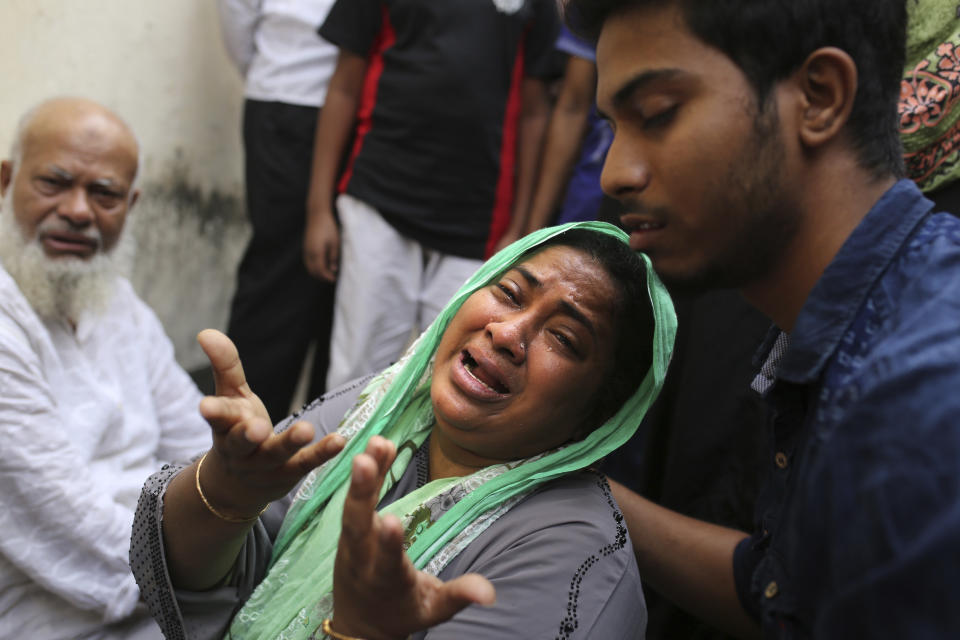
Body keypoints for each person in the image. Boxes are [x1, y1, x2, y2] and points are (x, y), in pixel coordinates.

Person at [560, 0, 960, 637]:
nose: (616, 173)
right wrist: (561, 487)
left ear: (819, 97)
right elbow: (786, 586)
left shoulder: (920, 400)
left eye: (658, 114)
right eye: (611, 126)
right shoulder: (840, 320)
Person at [130, 223, 677, 639]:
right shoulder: (381, 409)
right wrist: (225, 494)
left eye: (563, 338)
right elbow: (199, 583)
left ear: (598, 418)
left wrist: (360, 632)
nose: (509, 333)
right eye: (509, 293)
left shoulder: (569, 555)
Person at [0, 97, 212, 639]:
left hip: (167, 577)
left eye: (105, 194)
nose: (78, 210)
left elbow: (200, 451)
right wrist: (217, 574)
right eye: (54, 182)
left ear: (130, 204)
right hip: (42, 603)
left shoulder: (117, 303)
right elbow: (61, 520)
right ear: (5, 181)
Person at [303, 0, 561, 389]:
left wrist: (525, 229)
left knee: (445, 383)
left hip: (482, 226)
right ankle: (343, 453)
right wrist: (318, 208)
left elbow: (535, 112)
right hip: (379, 199)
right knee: (354, 375)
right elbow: (344, 85)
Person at [217, 0, 338, 420]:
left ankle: (323, 438)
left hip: (368, 110)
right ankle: (242, 431)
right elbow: (238, 18)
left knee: (344, 288)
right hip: (291, 95)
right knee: (280, 275)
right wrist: (277, 70)